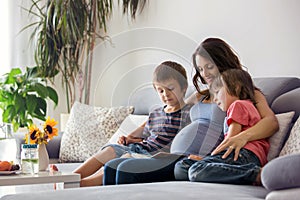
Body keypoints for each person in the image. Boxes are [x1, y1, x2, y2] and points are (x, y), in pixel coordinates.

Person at [102, 37, 278, 185]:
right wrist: (142, 136)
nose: (205, 74)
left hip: (208, 158)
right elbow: (171, 115)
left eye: (209, 67)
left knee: (125, 171)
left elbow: (270, 122)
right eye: (200, 69)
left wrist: (242, 137)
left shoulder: (243, 93)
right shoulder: (199, 96)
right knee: (113, 166)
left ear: (222, 62)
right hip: (179, 156)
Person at [72, 61, 192, 186]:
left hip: (155, 156)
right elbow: (145, 136)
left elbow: (188, 141)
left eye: (170, 89)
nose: (166, 94)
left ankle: (81, 184)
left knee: (124, 159)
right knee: (110, 150)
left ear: (183, 88)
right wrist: (128, 139)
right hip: (141, 148)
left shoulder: (188, 113)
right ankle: (70, 177)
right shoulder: (156, 113)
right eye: (160, 91)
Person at [174, 68, 269, 185]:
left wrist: (208, 159)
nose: (215, 99)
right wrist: (207, 160)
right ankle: (238, 175)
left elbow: (230, 140)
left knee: (196, 169)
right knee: (183, 168)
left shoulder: (237, 105)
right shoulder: (246, 106)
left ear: (236, 87)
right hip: (242, 155)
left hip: (242, 153)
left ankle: (257, 174)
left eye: (218, 92)